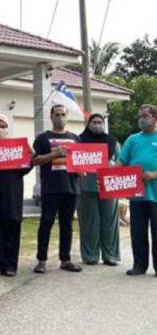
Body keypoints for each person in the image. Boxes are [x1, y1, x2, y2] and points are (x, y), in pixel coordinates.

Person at [32, 104, 83, 273]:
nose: (60, 117)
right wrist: (54, 154)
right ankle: (41, 260)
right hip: (50, 188)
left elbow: (82, 160)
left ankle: (65, 259)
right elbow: (35, 160)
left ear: (67, 117)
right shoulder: (42, 138)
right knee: (46, 223)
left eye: (63, 114)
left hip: (71, 188)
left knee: (67, 224)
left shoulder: (75, 138)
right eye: (57, 114)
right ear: (51, 116)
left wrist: (82, 169)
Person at [0, 115, 33, 277]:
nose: (1, 129)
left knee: (12, 228)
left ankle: (10, 265)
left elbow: (25, 168)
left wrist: (30, 154)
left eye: (4, 126)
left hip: (12, 195)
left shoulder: (16, 146)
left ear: (8, 128)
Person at [118, 104, 157, 276]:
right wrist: (106, 176)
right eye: (139, 116)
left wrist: (154, 174)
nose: (141, 119)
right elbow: (121, 163)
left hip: (155, 194)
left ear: (154, 117)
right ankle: (139, 266)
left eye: (145, 116)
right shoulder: (132, 139)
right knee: (138, 232)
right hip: (136, 195)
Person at [78, 113, 120, 266]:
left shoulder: (112, 142)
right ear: (88, 124)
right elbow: (74, 162)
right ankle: (90, 256)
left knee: (110, 223)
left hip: (108, 186)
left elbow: (120, 163)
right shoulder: (80, 141)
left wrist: (112, 165)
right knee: (89, 223)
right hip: (86, 187)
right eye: (94, 122)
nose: (97, 125)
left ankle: (111, 256)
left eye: (100, 122)